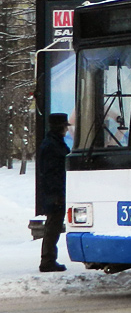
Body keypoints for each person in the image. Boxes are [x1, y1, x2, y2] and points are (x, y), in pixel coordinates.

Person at [38, 112, 70, 273]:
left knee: (54, 227)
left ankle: (49, 259)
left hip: (55, 192)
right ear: (61, 128)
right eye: (65, 126)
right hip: (55, 193)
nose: (66, 130)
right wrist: (57, 194)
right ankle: (48, 261)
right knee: (53, 227)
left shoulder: (54, 143)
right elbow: (52, 173)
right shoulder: (52, 145)